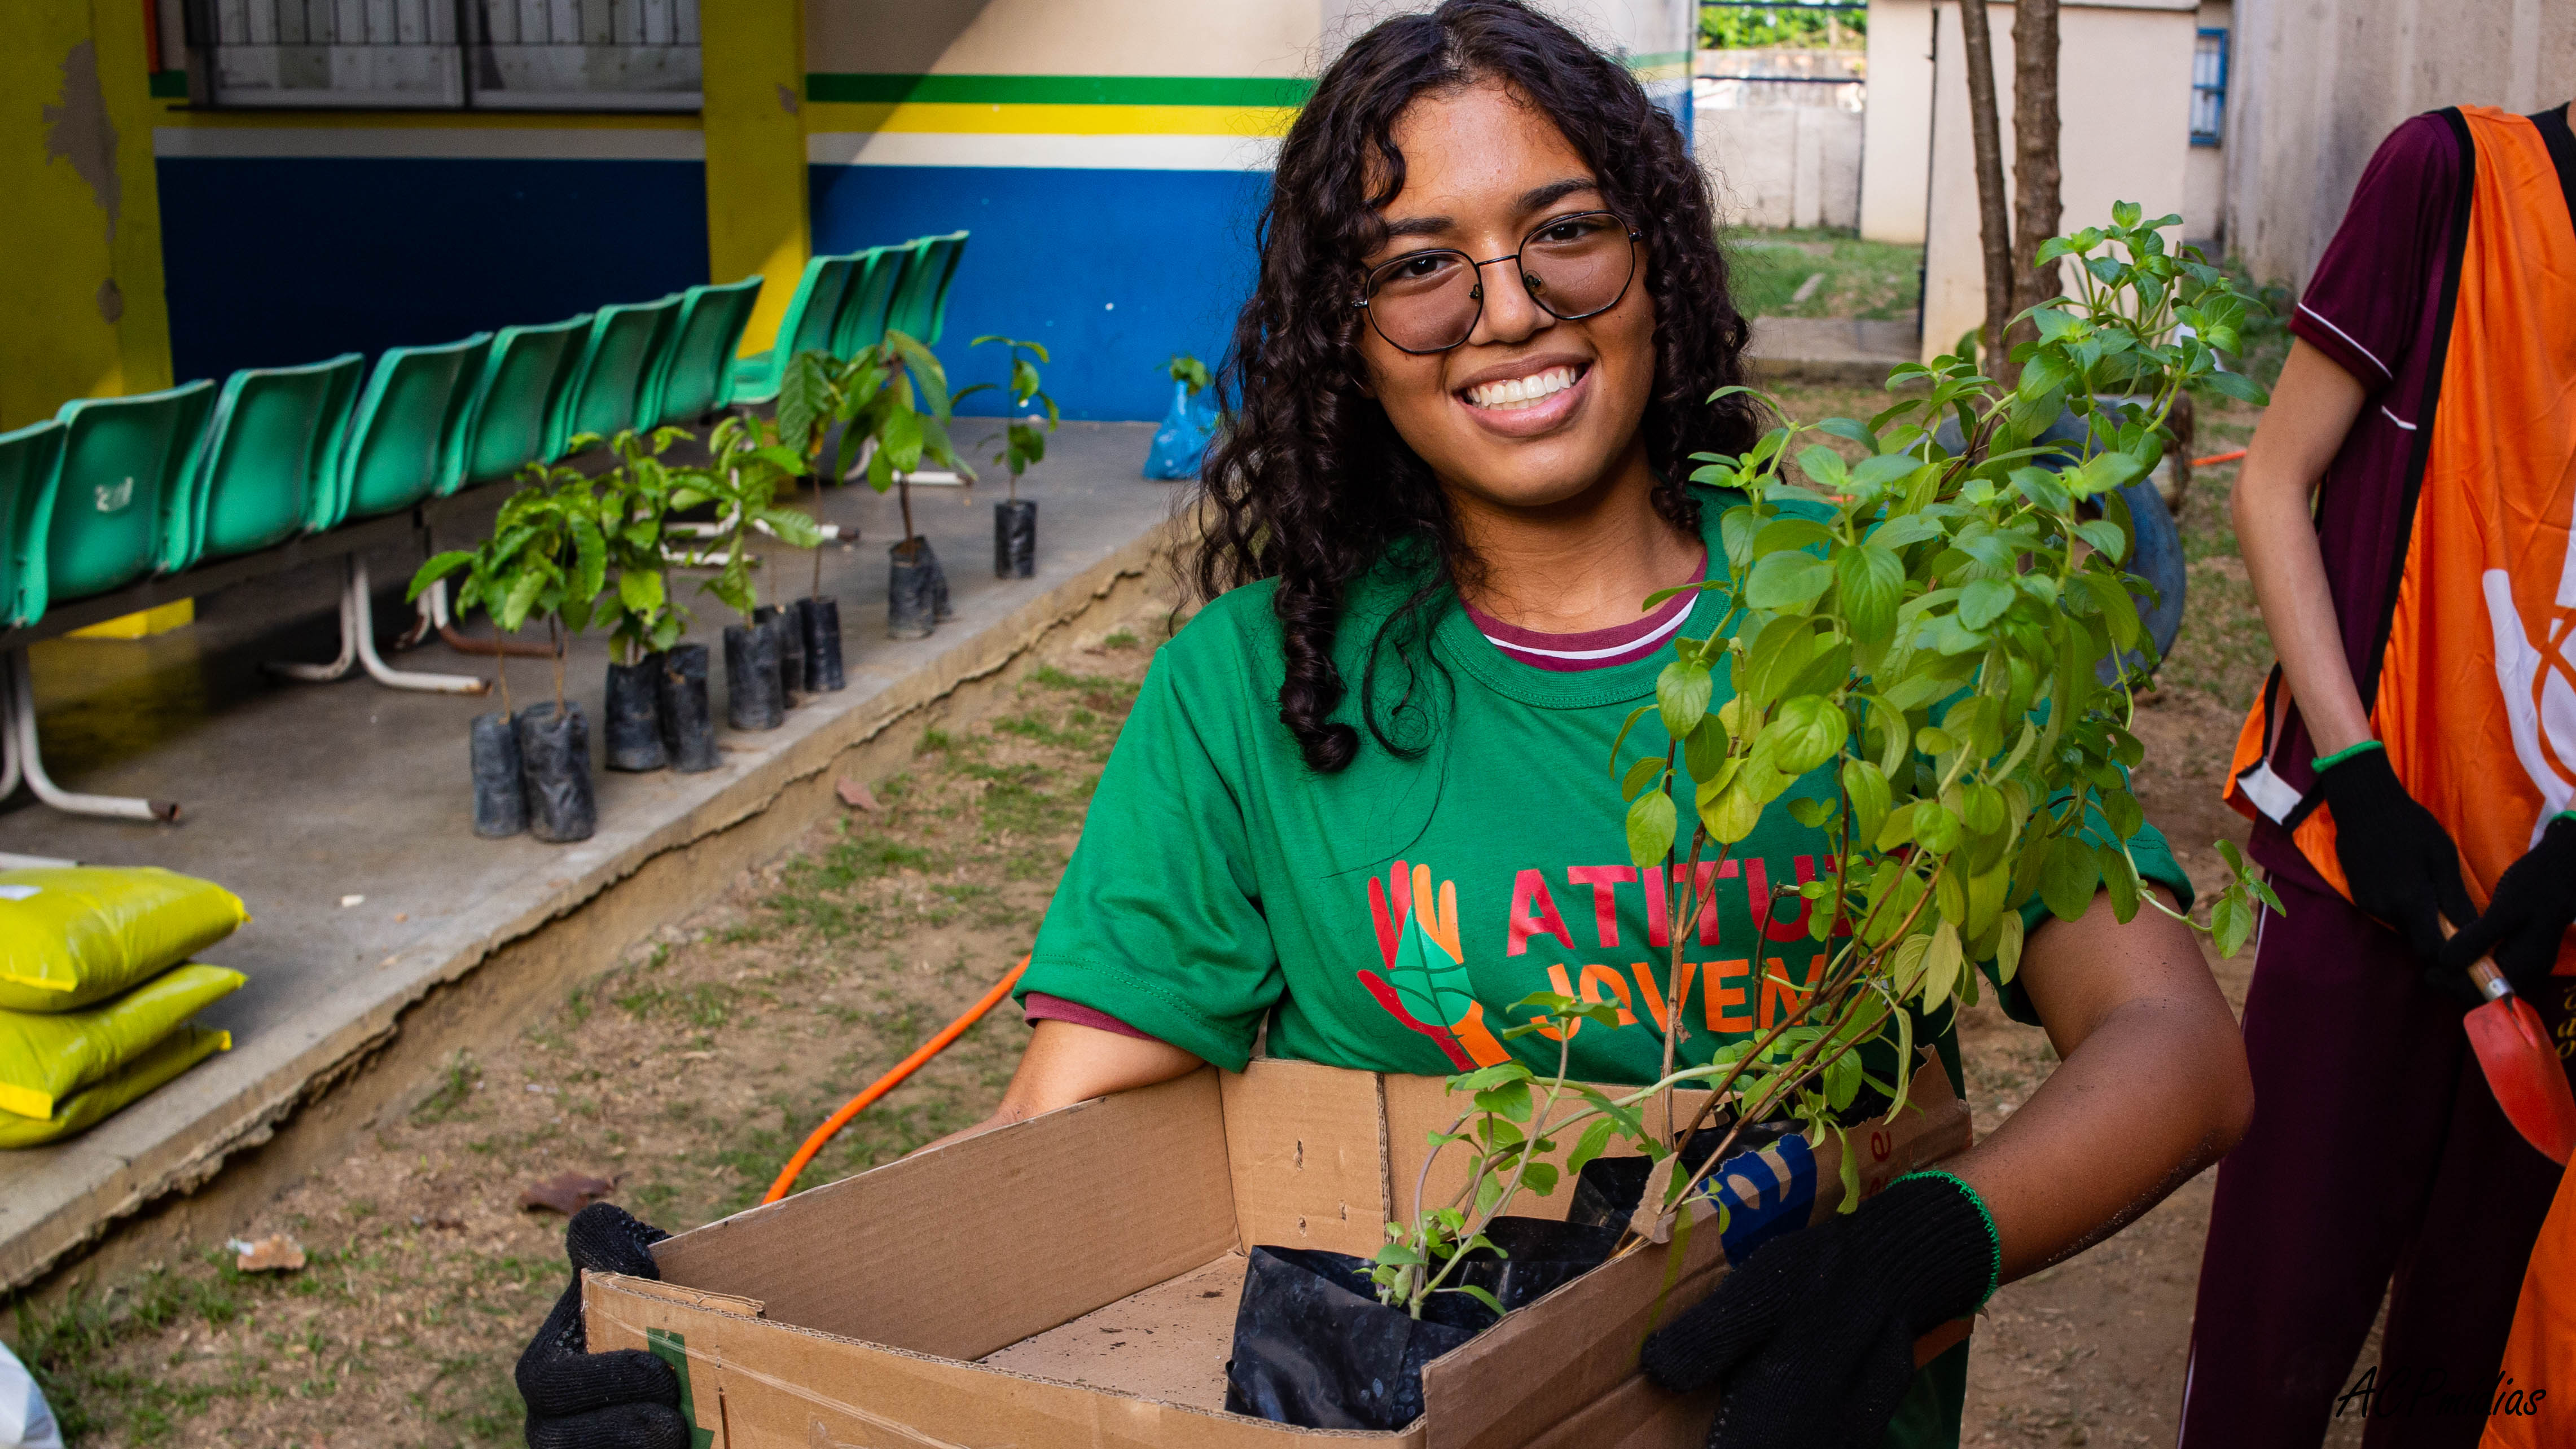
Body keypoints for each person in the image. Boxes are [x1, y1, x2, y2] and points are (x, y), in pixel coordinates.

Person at [513, 6, 2253, 1448]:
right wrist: (724, 1330)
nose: (1502, 309)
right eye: (1416, 265)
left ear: (1654, 252)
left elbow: (2173, 1045)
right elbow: (1046, 1172)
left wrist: (1920, 1249)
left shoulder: (1882, 619)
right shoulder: (1251, 691)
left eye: (1561, 229)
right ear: (1346, 337)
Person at [2188, 98, 2576, 1448]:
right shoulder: (2454, 175)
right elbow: (2273, 484)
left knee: (2474, 1381)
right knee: (2269, 1352)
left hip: (2560, 944)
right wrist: (2358, 782)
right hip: (2371, 882)